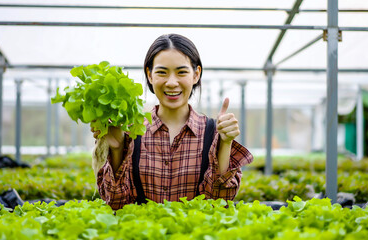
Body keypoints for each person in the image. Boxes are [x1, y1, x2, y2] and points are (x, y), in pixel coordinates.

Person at [91, 33, 253, 210]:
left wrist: (225, 143)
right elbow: (116, 205)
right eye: (162, 72)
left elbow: (219, 205)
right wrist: (116, 150)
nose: (172, 82)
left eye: (181, 72)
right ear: (150, 75)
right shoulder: (131, 132)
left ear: (196, 74)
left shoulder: (213, 132)